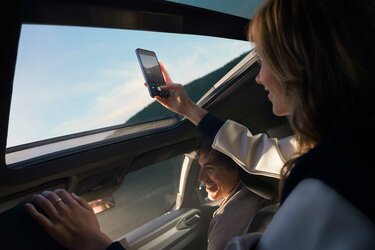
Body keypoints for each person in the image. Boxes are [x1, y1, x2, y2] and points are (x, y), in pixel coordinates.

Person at [26, 0, 375, 249]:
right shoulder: (340, 147)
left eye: (265, 61)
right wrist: (187, 108)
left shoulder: (334, 186)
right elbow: (262, 152)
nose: (260, 78)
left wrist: (95, 243)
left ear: (300, 66)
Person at [196, 142, 271, 250]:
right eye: (201, 167)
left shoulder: (226, 221)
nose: (201, 177)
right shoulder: (259, 196)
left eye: (210, 169)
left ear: (237, 169)